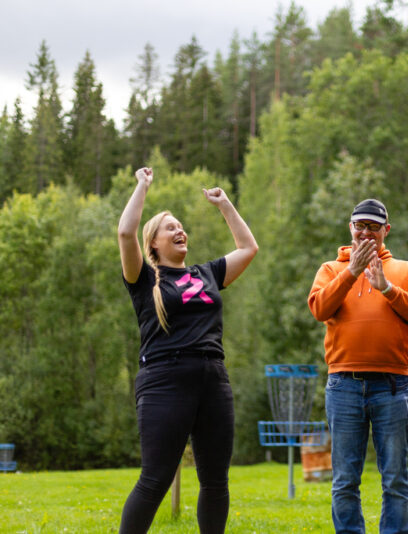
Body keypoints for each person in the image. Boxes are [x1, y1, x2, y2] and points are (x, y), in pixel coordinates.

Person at [117, 167, 258, 534]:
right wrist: (142, 187)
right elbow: (125, 231)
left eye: (181, 226)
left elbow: (248, 248)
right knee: (155, 480)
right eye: (170, 227)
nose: (180, 230)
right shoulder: (144, 280)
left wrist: (225, 204)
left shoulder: (208, 273)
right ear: (154, 245)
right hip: (164, 381)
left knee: (215, 481)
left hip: (213, 380)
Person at [308, 198, 408, 534]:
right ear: (350, 228)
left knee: (395, 478)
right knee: (345, 479)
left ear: (385, 231)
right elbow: (319, 309)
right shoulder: (331, 270)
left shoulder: (405, 270)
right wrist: (351, 273)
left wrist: (388, 289)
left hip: (391, 387)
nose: (365, 233)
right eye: (359, 226)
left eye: (373, 227)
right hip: (343, 385)